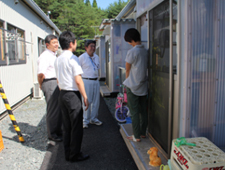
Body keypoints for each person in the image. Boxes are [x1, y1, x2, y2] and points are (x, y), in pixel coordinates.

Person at [55, 31, 89, 162]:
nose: (76, 44)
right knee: (76, 126)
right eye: (75, 42)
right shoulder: (73, 58)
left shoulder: (57, 59)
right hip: (72, 94)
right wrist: (85, 96)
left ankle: (68, 153)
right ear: (71, 43)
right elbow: (78, 80)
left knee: (67, 126)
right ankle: (75, 154)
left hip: (62, 93)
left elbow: (58, 80)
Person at [123, 28, 148, 142]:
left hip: (132, 86)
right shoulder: (145, 51)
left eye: (128, 41)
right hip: (143, 85)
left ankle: (136, 136)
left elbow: (127, 70)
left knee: (134, 112)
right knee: (143, 111)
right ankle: (142, 133)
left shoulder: (132, 52)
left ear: (131, 40)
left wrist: (127, 83)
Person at [37, 34, 62, 142]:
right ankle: (52, 134)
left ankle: (57, 130)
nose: (56, 44)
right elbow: (41, 74)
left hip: (55, 82)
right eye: (54, 42)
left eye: (57, 42)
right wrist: (41, 85)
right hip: (49, 82)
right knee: (52, 109)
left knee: (58, 108)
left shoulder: (53, 55)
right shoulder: (45, 56)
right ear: (47, 45)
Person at [78, 40, 102, 128]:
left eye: (94, 46)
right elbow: (78, 71)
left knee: (96, 101)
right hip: (86, 81)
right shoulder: (82, 57)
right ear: (86, 47)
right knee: (86, 101)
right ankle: (85, 120)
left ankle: (94, 118)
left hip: (96, 80)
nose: (93, 48)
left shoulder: (96, 57)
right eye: (91, 46)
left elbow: (97, 67)